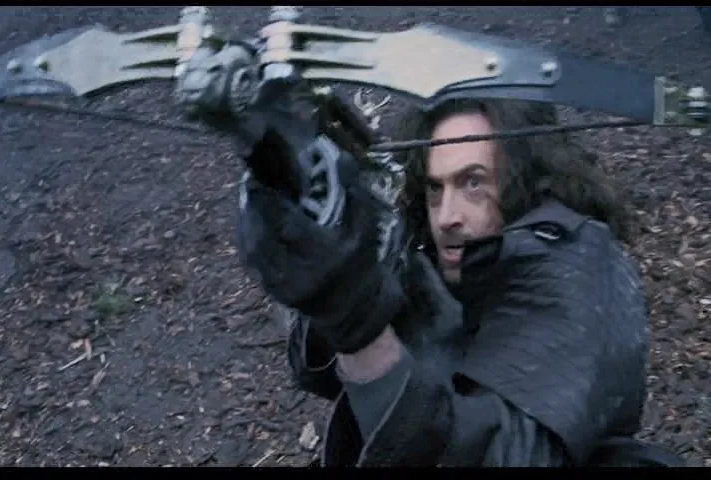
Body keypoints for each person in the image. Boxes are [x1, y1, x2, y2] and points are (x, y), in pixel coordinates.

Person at [237, 94, 685, 466]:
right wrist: (331, 258)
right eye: (436, 188)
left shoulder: (578, 260)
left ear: (527, 181)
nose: (447, 216)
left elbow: (509, 457)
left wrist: (356, 317)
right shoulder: (445, 260)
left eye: (473, 182)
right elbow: (321, 375)